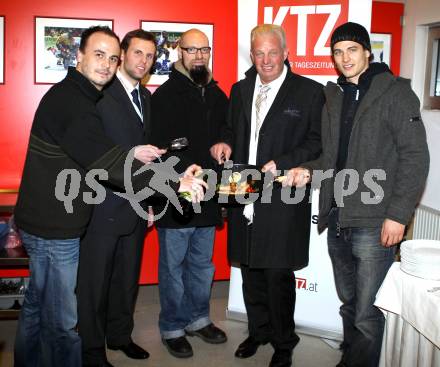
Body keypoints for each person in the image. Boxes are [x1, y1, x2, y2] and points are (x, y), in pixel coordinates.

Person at [13, 26, 207, 367]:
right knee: (63, 321)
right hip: (60, 222)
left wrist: (170, 175)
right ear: (79, 57)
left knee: (38, 308)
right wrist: (173, 184)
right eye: (99, 55)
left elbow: (112, 157)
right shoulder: (75, 102)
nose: (106, 64)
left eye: (111, 57)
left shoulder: (84, 95)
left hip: (57, 218)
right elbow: (110, 160)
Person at [285, 22, 429, 367]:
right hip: (337, 215)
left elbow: (415, 156)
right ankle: (352, 357)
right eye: (337, 52)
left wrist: (398, 214)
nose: (344, 58)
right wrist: (309, 170)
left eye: (352, 49)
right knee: (349, 303)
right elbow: (332, 157)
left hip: (375, 218)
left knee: (366, 312)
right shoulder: (333, 95)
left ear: (367, 51)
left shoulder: (395, 92)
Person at [222, 24, 324, 367]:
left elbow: (316, 142)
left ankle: (284, 342)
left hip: (282, 188)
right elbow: (230, 129)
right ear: (252, 55)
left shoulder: (310, 92)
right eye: (259, 53)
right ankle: (259, 330)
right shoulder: (239, 89)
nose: (266, 60)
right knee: (249, 266)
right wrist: (221, 142)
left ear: (286, 53)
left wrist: (282, 162)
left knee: (277, 272)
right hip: (241, 184)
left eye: (273, 52)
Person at [76, 29, 164, 367]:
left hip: (138, 203)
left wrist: (153, 199)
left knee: (127, 278)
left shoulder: (146, 98)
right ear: (123, 54)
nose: (144, 61)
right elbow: (96, 150)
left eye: (150, 55)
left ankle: (120, 335)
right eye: (137, 53)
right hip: (102, 204)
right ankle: (92, 349)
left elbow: (149, 155)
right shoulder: (99, 94)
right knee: (95, 283)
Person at [150, 28, 230, 358]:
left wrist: (225, 141)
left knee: (201, 265)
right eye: (191, 50)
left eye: (204, 50)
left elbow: (228, 128)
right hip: (177, 192)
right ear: (179, 52)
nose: (198, 56)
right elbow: (159, 147)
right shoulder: (165, 96)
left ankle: (198, 319)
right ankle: (172, 325)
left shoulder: (216, 94)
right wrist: (184, 168)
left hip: (209, 193)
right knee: (173, 265)